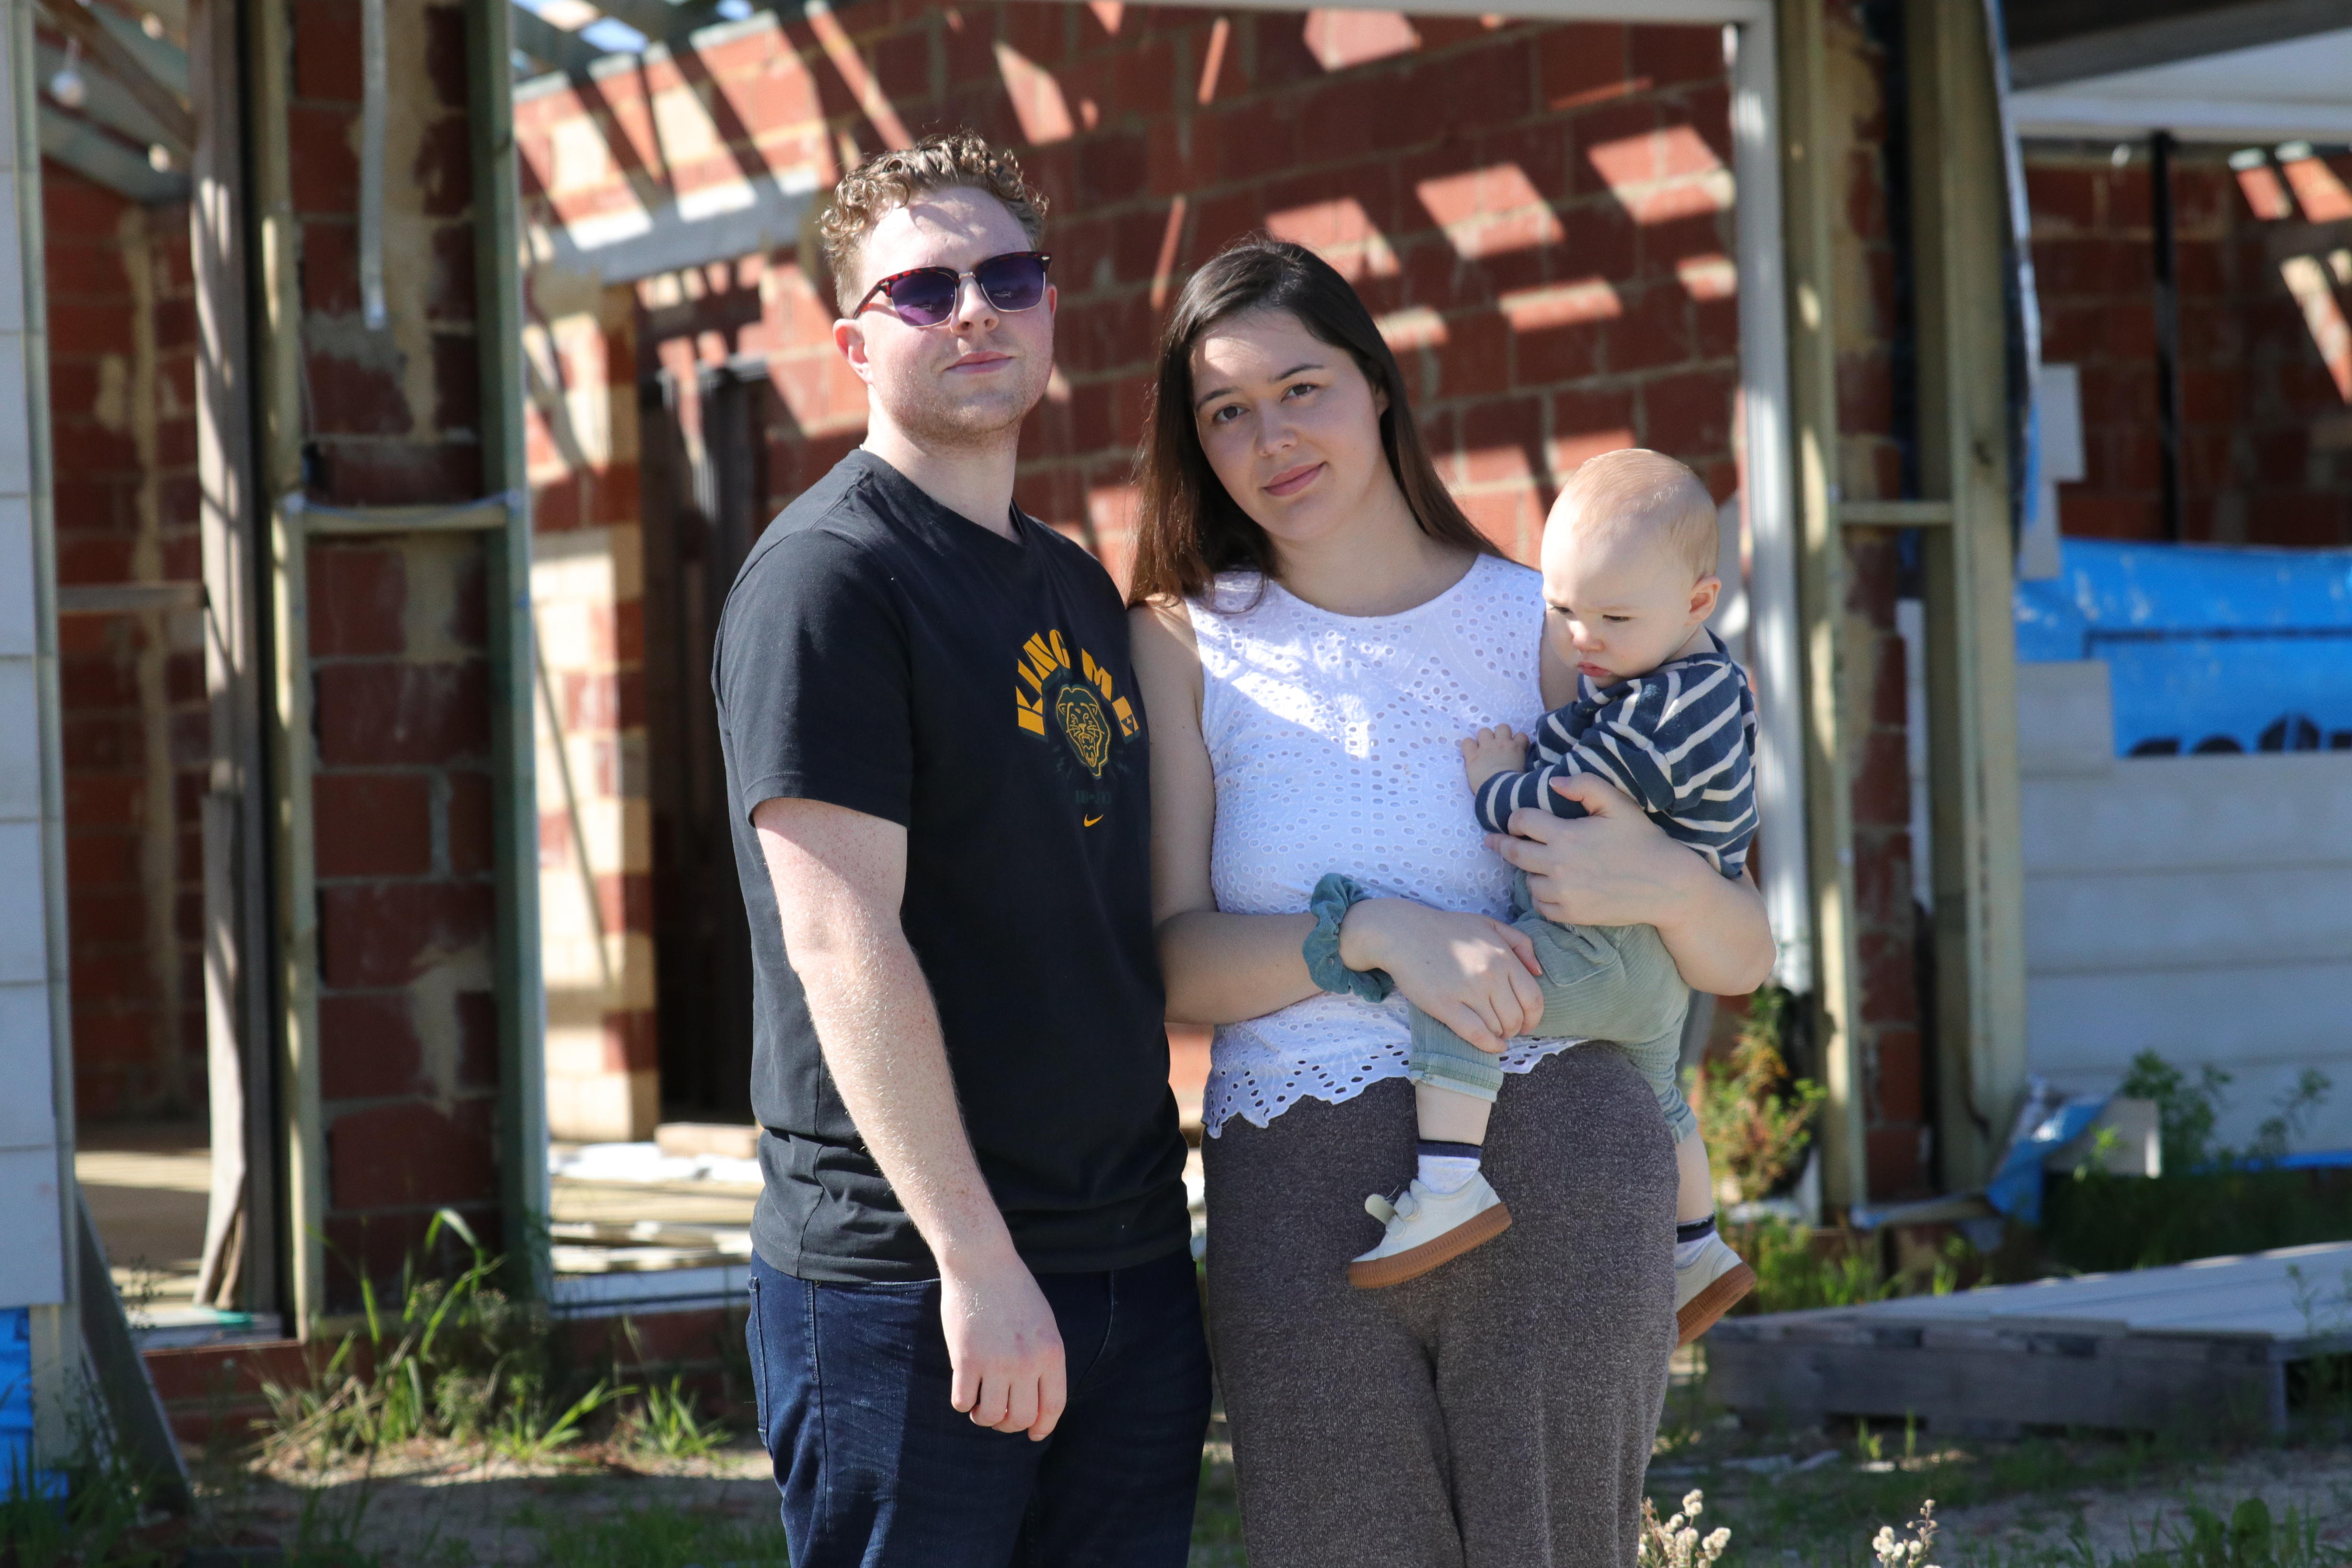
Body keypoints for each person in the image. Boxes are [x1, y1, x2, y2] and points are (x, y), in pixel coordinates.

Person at [1128, 237, 1776, 1567]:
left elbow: (1739, 951)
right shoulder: (1187, 636)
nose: (1271, 436)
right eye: (1227, 411)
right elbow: (1177, 965)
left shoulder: (1541, 619)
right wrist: (1371, 929)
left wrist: (1653, 877)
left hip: (1563, 1159)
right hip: (1296, 1193)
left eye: (1302, 387)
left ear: (1377, 386)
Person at [713, 133, 1208, 1568]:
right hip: (913, 1274)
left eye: (1007, 275)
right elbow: (840, 936)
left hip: (1123, 1252)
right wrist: (974, 1258)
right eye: (924, 290)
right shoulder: (829, 579)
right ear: (853, 345)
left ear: (1052, 305)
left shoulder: (1065, 577)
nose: (975, 308)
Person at [1349, 447, 1759, 1346]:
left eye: (1614, 616)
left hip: (1613, 941)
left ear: (1698, 602)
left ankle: (1450, 1188)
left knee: (1462, 996)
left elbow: (1554, 810)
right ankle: (1696, 1248)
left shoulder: (1660, 716)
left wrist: (1497, 781)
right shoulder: (1695, 675)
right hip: (1653, 956)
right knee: (1663, 1096)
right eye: (1564, 609)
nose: (1584, 641)